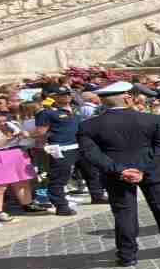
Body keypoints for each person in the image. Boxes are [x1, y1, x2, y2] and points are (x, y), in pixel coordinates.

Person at [78, 82, 160, 266]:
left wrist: (119, 169)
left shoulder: (89, 126)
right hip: (151, 170)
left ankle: (127, 255)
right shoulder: (151, 120)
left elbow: (91, 153)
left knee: (124, 213)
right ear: (127, 97)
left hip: (117, 174)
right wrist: (143, 169)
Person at [34, 86, 106, 216]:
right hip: (63, 148)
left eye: (68, 94)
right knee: (59, 178)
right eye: (62, 94)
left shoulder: (75, 109)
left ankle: (97, 195)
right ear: (53, 97)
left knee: (92, 172)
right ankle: (61, 206)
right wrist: (45, 147)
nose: (67, 96)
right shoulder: (47, 112)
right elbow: (40, 133)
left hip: (81, 145)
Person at [0, 109, 44, 222]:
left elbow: (24, 141)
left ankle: (27, 204)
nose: (2, 124)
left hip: (16, 153)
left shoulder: (11, 126)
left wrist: (22, 136)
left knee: (22, 182)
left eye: (3, 121)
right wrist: (0, 142)